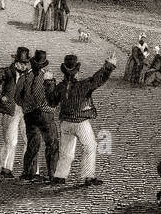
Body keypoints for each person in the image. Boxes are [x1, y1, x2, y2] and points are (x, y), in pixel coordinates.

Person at [53, 53, 117, 187]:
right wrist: (108, 66)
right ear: (76, 72)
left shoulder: (60, 87)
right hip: (80, 122)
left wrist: (48, 83)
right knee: (90, 146)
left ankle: (60, 176)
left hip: (65, 123)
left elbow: (52, 101)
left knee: (66, 151)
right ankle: (88, 176)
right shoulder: (83, 85)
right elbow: (97, 79)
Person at [0, 46, 32, 177]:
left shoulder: (29, 75)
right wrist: (1, 97)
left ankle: (28, 170)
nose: (24, 66)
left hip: (25, 110)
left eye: (26, 63)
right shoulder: (5, 72)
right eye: (22, 63)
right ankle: (6, 168)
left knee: (28, 139)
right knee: (11, 141)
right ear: (16, 61)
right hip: (10, 110)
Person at [19, 50, 62, 184]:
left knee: (33, 143)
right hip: (45, 115)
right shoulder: (47, 77)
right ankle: (52, 174)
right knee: (52, 144)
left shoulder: (25, 77)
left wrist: (27, 107)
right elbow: (53, 98)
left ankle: (28, 173)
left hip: (29, 115)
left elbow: (17, 97)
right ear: (43, 65)